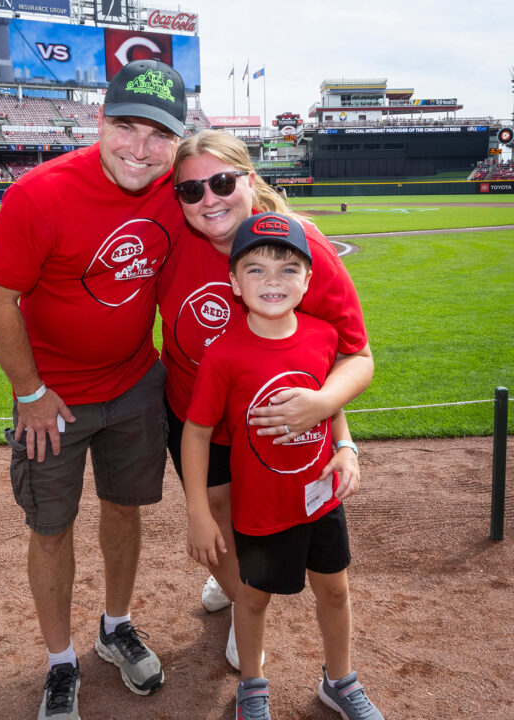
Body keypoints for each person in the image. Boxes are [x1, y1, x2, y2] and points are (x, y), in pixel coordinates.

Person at [0, 60, 188, 720]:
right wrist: (30, 391)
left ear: (177, 142)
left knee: (125, 510)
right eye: (126, 127)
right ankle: (60, 662)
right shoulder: (41, 194)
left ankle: (115, 626)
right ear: (99, 122)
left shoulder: (177, 188)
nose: (140, 149)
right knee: (51, 528)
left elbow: (247, 201)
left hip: (133, 383)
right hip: (54, 398)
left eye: (159, 135)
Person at [157, 129, 373, 668]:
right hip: (198, 412)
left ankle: (243, 602)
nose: (209, 199)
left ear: (249, 181)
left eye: (223, 182)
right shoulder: (173, 237)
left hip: (277, 419)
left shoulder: (303, 250)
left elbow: (349, 354)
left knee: (263, 522)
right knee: (217, 518)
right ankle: (238, 599)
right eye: (191, 191)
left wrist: (330, 419)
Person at [183, 212, 384, 720]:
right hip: (261, 509)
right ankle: (253, 684)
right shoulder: (224, 355)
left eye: (288, 269)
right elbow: (197, 432)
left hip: (320, 497)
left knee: (335, 591)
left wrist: (345, 446)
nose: (273, 281)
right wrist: (199, 513)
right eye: (255, 269)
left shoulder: (321, 336)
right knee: (252, 601)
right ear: (233, 281)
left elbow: (329, 402)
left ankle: (338, 680)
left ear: (309, 279)